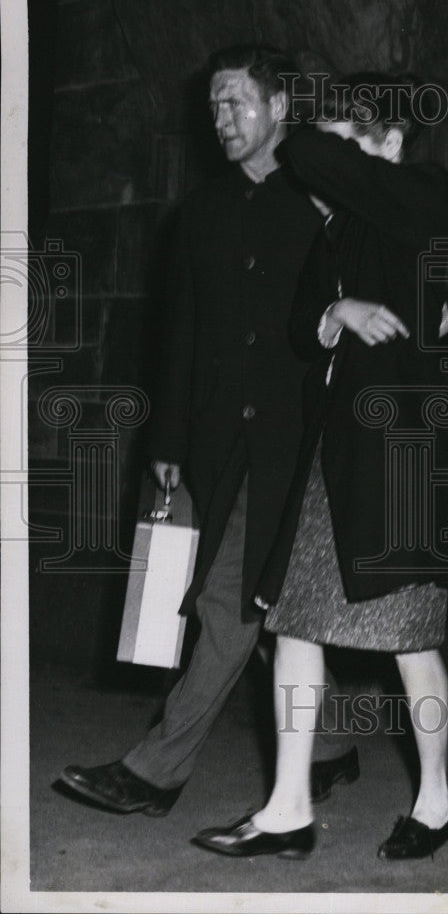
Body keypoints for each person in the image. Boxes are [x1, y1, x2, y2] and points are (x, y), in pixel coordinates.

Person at [58, 45, 358, 818]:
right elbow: (178, 335)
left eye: (236, 103)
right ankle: (328, 744)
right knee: (259, 601)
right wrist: (164, 444)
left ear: (280, 107)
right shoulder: (201, 211)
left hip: (298, 439)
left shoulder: (326, 201)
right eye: (214, 106)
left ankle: (156, 770)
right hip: (218, 436)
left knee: (229, 599)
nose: (220, 119)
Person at [191, 74, 448, 861]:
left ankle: (437, 801)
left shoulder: (423, 193)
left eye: (349, 145)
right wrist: (332, 313)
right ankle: (286, 807)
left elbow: (312, 153)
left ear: (388, 142)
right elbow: (299, 328)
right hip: (332, 456)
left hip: (405, 456)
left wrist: (314, 129)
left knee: (410, 639)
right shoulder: (338, 228)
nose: (326, 168)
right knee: (294, 625)